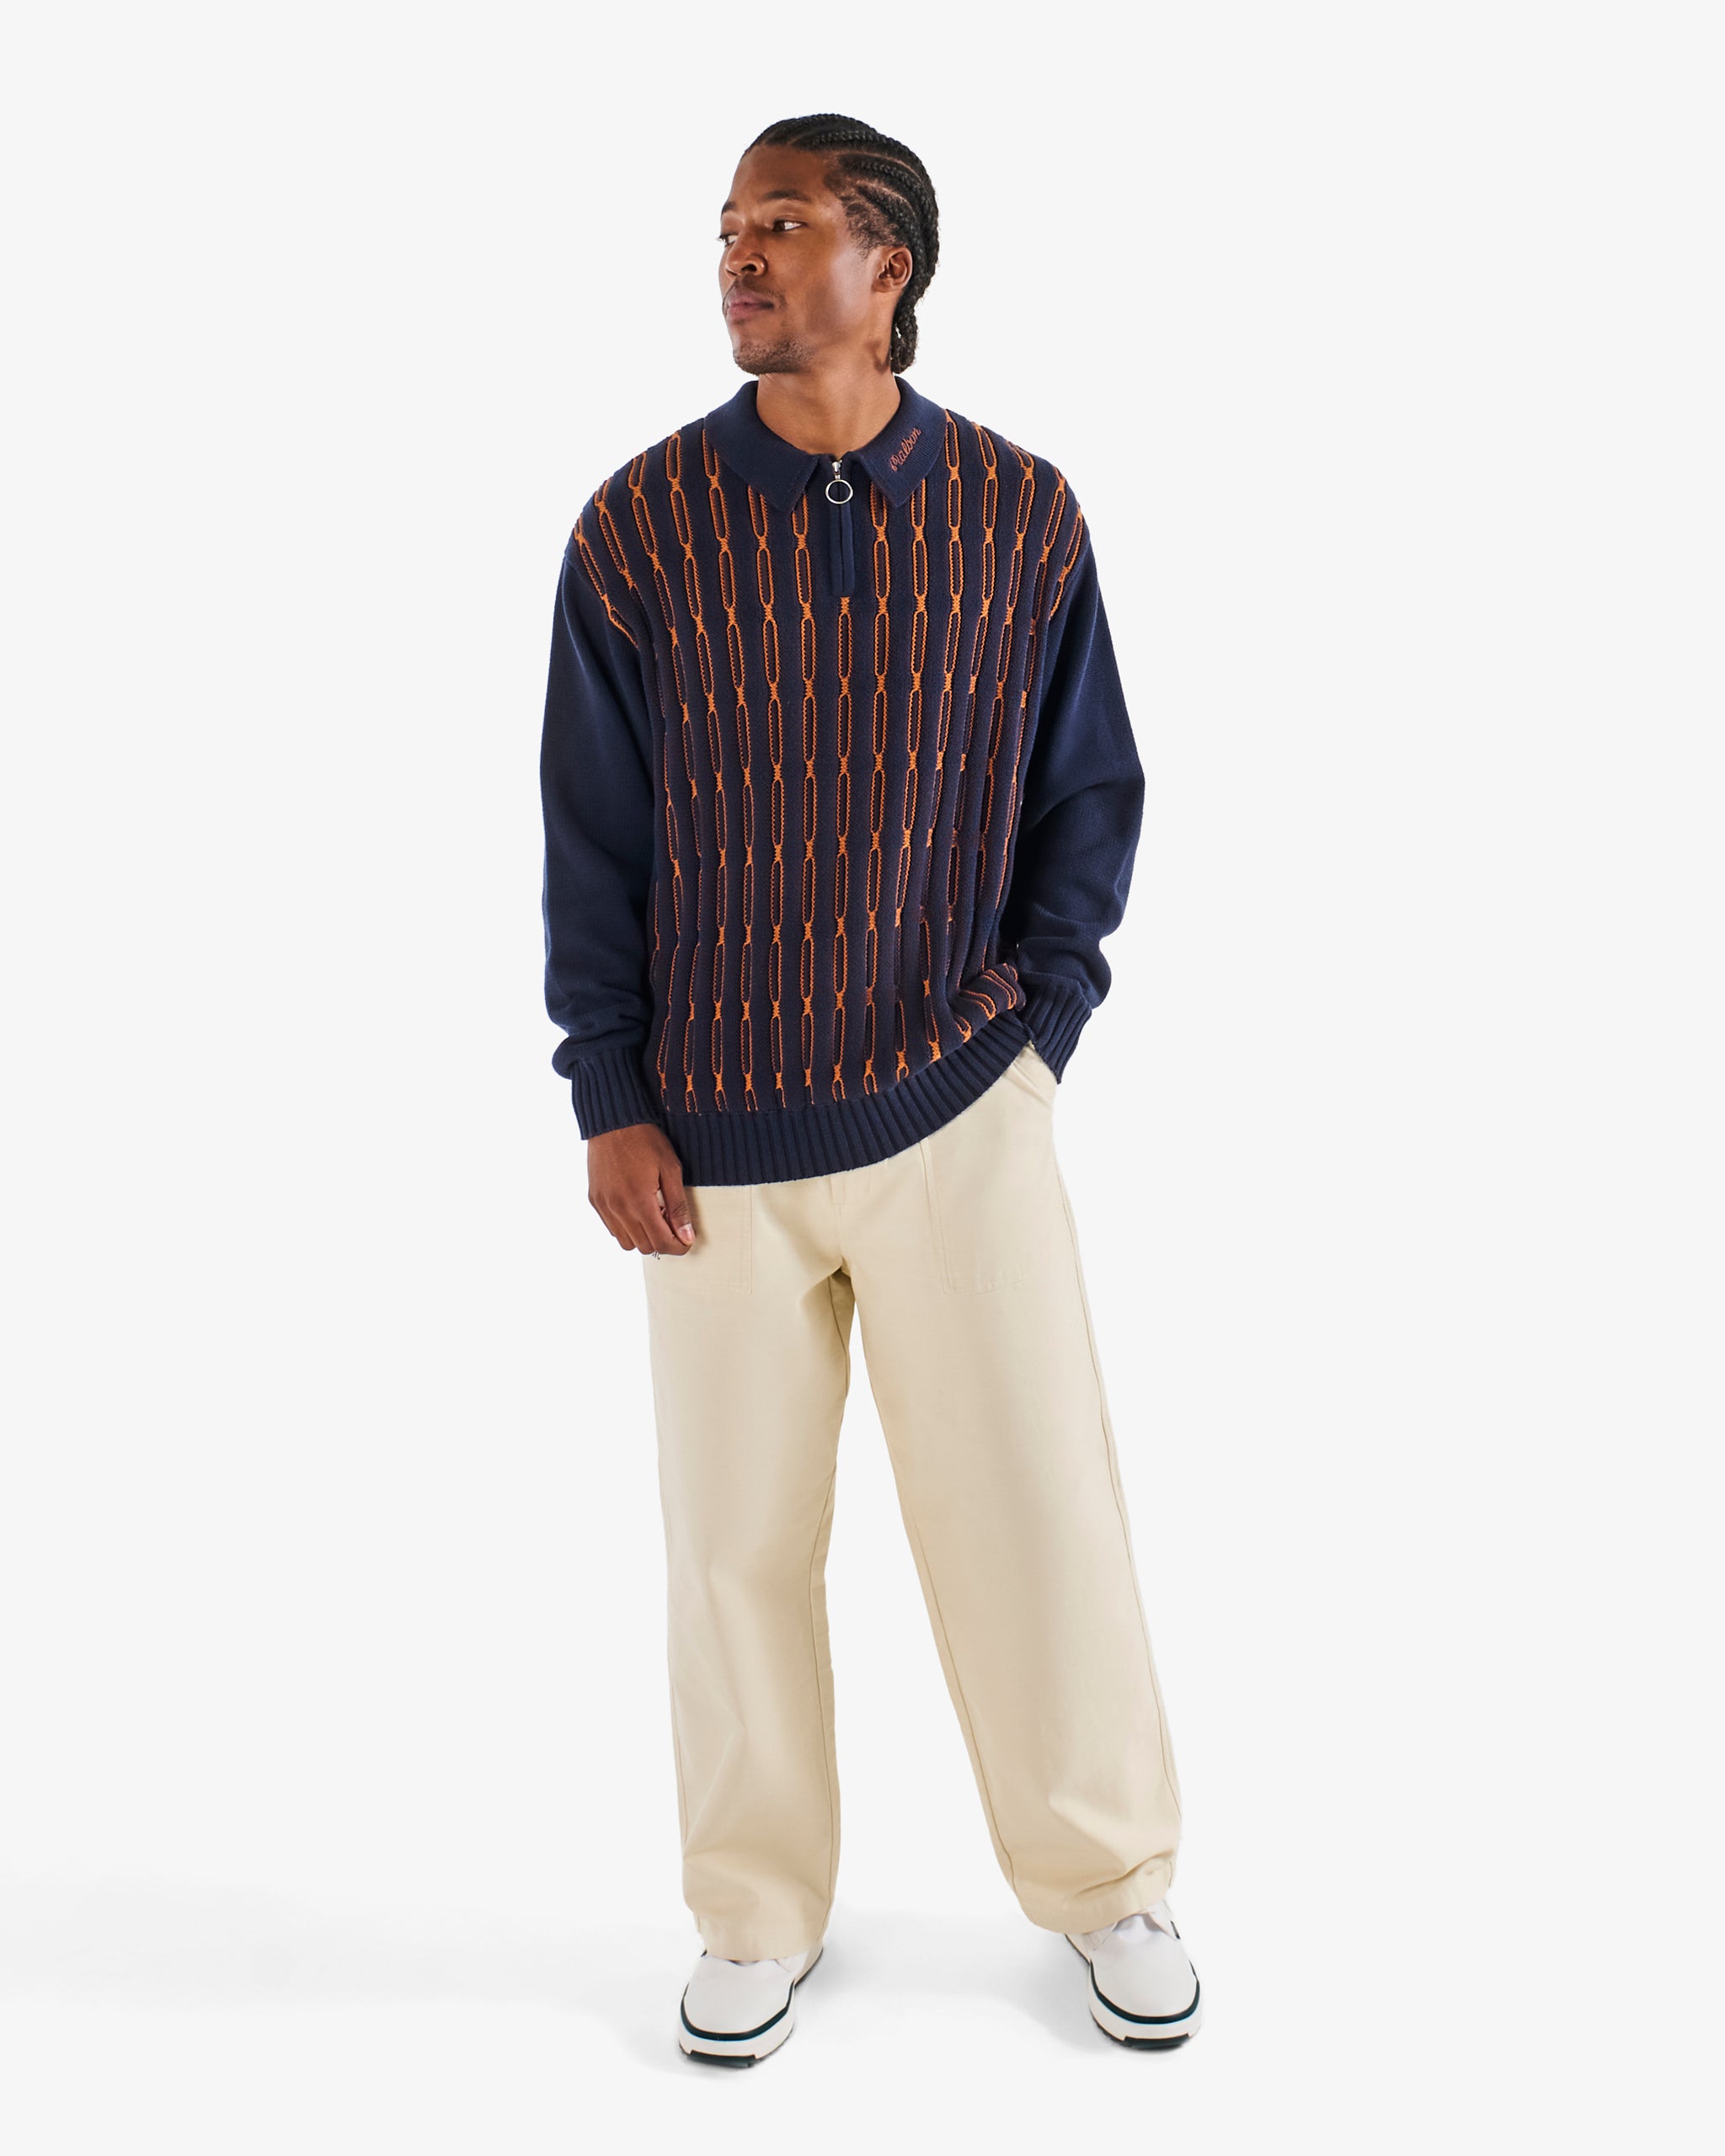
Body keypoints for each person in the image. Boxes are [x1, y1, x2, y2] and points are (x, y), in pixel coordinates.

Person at [539, 111, 1200, 2065]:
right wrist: (607, 1088)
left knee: (1034, 1512)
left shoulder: (1018, 513)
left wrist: (1034, 1034)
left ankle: (1107, 1877)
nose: (739, 258)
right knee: (730, 1548)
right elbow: (594, 837)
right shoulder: (638, 528)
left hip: (958, 1110)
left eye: (783, 223)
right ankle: (752, 1911)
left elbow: (1091, 793)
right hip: (709, 1136)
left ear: (886, 264)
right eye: (728, 229)